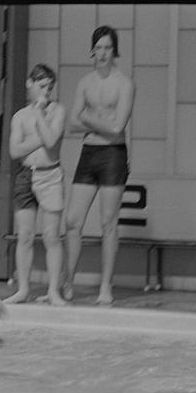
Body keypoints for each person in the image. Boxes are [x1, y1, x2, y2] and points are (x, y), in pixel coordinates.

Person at [63, 25, 135, 305]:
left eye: (108, 47)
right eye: (99, 47)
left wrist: (87, 118)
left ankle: (106, 286)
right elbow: (71, 124)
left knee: (108, 223)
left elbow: (118, 127)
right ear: (92, 50)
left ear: (114, 51)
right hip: (89, 153)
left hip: (113, 155)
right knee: (72, 221)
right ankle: (68, 282)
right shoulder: (85, 83)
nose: (103, 53)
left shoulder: (125, 84)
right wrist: (95, 122)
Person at [5, 64, 67, 306]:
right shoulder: (19, 116)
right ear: (29, 84)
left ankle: (53, 291)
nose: (46, 92)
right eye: (42, 87)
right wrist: (40, 138)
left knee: (51, 236)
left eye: (50, 87)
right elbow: (13, 151)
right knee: (25, 236)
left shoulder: (57, 110)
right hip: (25, 175)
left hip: (50, 176)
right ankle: (22, 289)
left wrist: (41, 114)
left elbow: (51, 143)